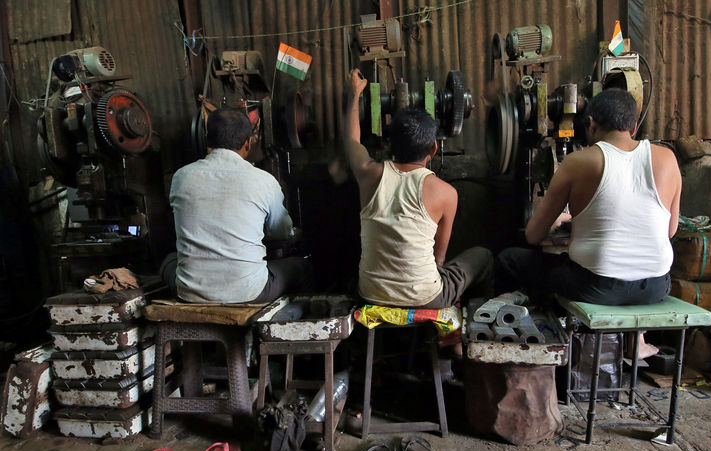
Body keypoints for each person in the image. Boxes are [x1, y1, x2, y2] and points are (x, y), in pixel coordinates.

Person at [496, 89, 681, 354]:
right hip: (655, 286)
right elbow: (670, 230)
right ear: (634, 124)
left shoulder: (577, 162)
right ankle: (635, 342)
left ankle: (527, 341)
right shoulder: (667, 158)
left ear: (591, 123)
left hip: (595, 287)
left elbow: (533, 236)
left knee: (510, 259)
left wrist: (561, 221)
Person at [345, 69, 493, 308]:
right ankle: (462, 335)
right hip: (426, 298)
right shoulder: (447, 193)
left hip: (370, 294)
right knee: (482, 256)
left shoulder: (368, 173)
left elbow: (352, 142)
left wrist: (353, 96)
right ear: (433, 148)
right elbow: (439, 258)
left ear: (389, 144)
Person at [161, 108, 312, 303]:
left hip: (190, 293)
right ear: (248, 144)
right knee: (303, 267)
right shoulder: (263, 181)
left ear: (208, 140)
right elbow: (281, 232)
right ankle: (294, 318)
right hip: (250, 292)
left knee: (169, 260)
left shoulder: (181, 177)